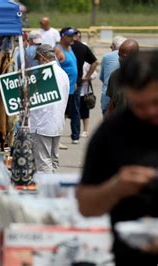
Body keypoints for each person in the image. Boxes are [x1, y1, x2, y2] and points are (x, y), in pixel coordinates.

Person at [76, 50, 158, 266]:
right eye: (139, 106)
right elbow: (85, 205)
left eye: (156, 102)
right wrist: (116, 187)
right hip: (130, 256)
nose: (149, 111)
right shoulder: (112, 132)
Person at [29, 45, 70, 173]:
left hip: (43, 123)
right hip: (56, 122)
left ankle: (47, 190)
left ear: (43, 57)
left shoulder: (44, 74)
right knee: (53, 159)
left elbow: (33, 99)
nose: (38, 62)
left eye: (39, 59)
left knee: (43, 162)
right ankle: (54, 187)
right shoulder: (63, 74)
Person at [71, 30, 98, 138]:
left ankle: (83, 131)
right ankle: (75, 132)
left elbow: (95, 68)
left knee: (83, 111)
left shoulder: (83, 51)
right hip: (76, 85)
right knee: (72, 110)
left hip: (83, 88)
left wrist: (87, 77)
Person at [55, 27, 79, 144]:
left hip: (72, 87)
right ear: (63, 37)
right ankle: (56, 137)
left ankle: (71, 135)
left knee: (70, 113)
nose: (72, 38)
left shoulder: (70, 48)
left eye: (72, 36)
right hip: (63, 88)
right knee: (61, 114)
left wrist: (74, 83)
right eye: (69, 36)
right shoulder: (58, 50)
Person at [106, 39, 140, 116]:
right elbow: (112, 103)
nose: (120, 59)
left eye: (123, 56)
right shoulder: (114, 76)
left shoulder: (148, 77)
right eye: (119, 55)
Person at [99, 36, 126, 114]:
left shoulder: (107, 57)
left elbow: (102, 77)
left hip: (107, 95)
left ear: (114, 46)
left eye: (111, 45)